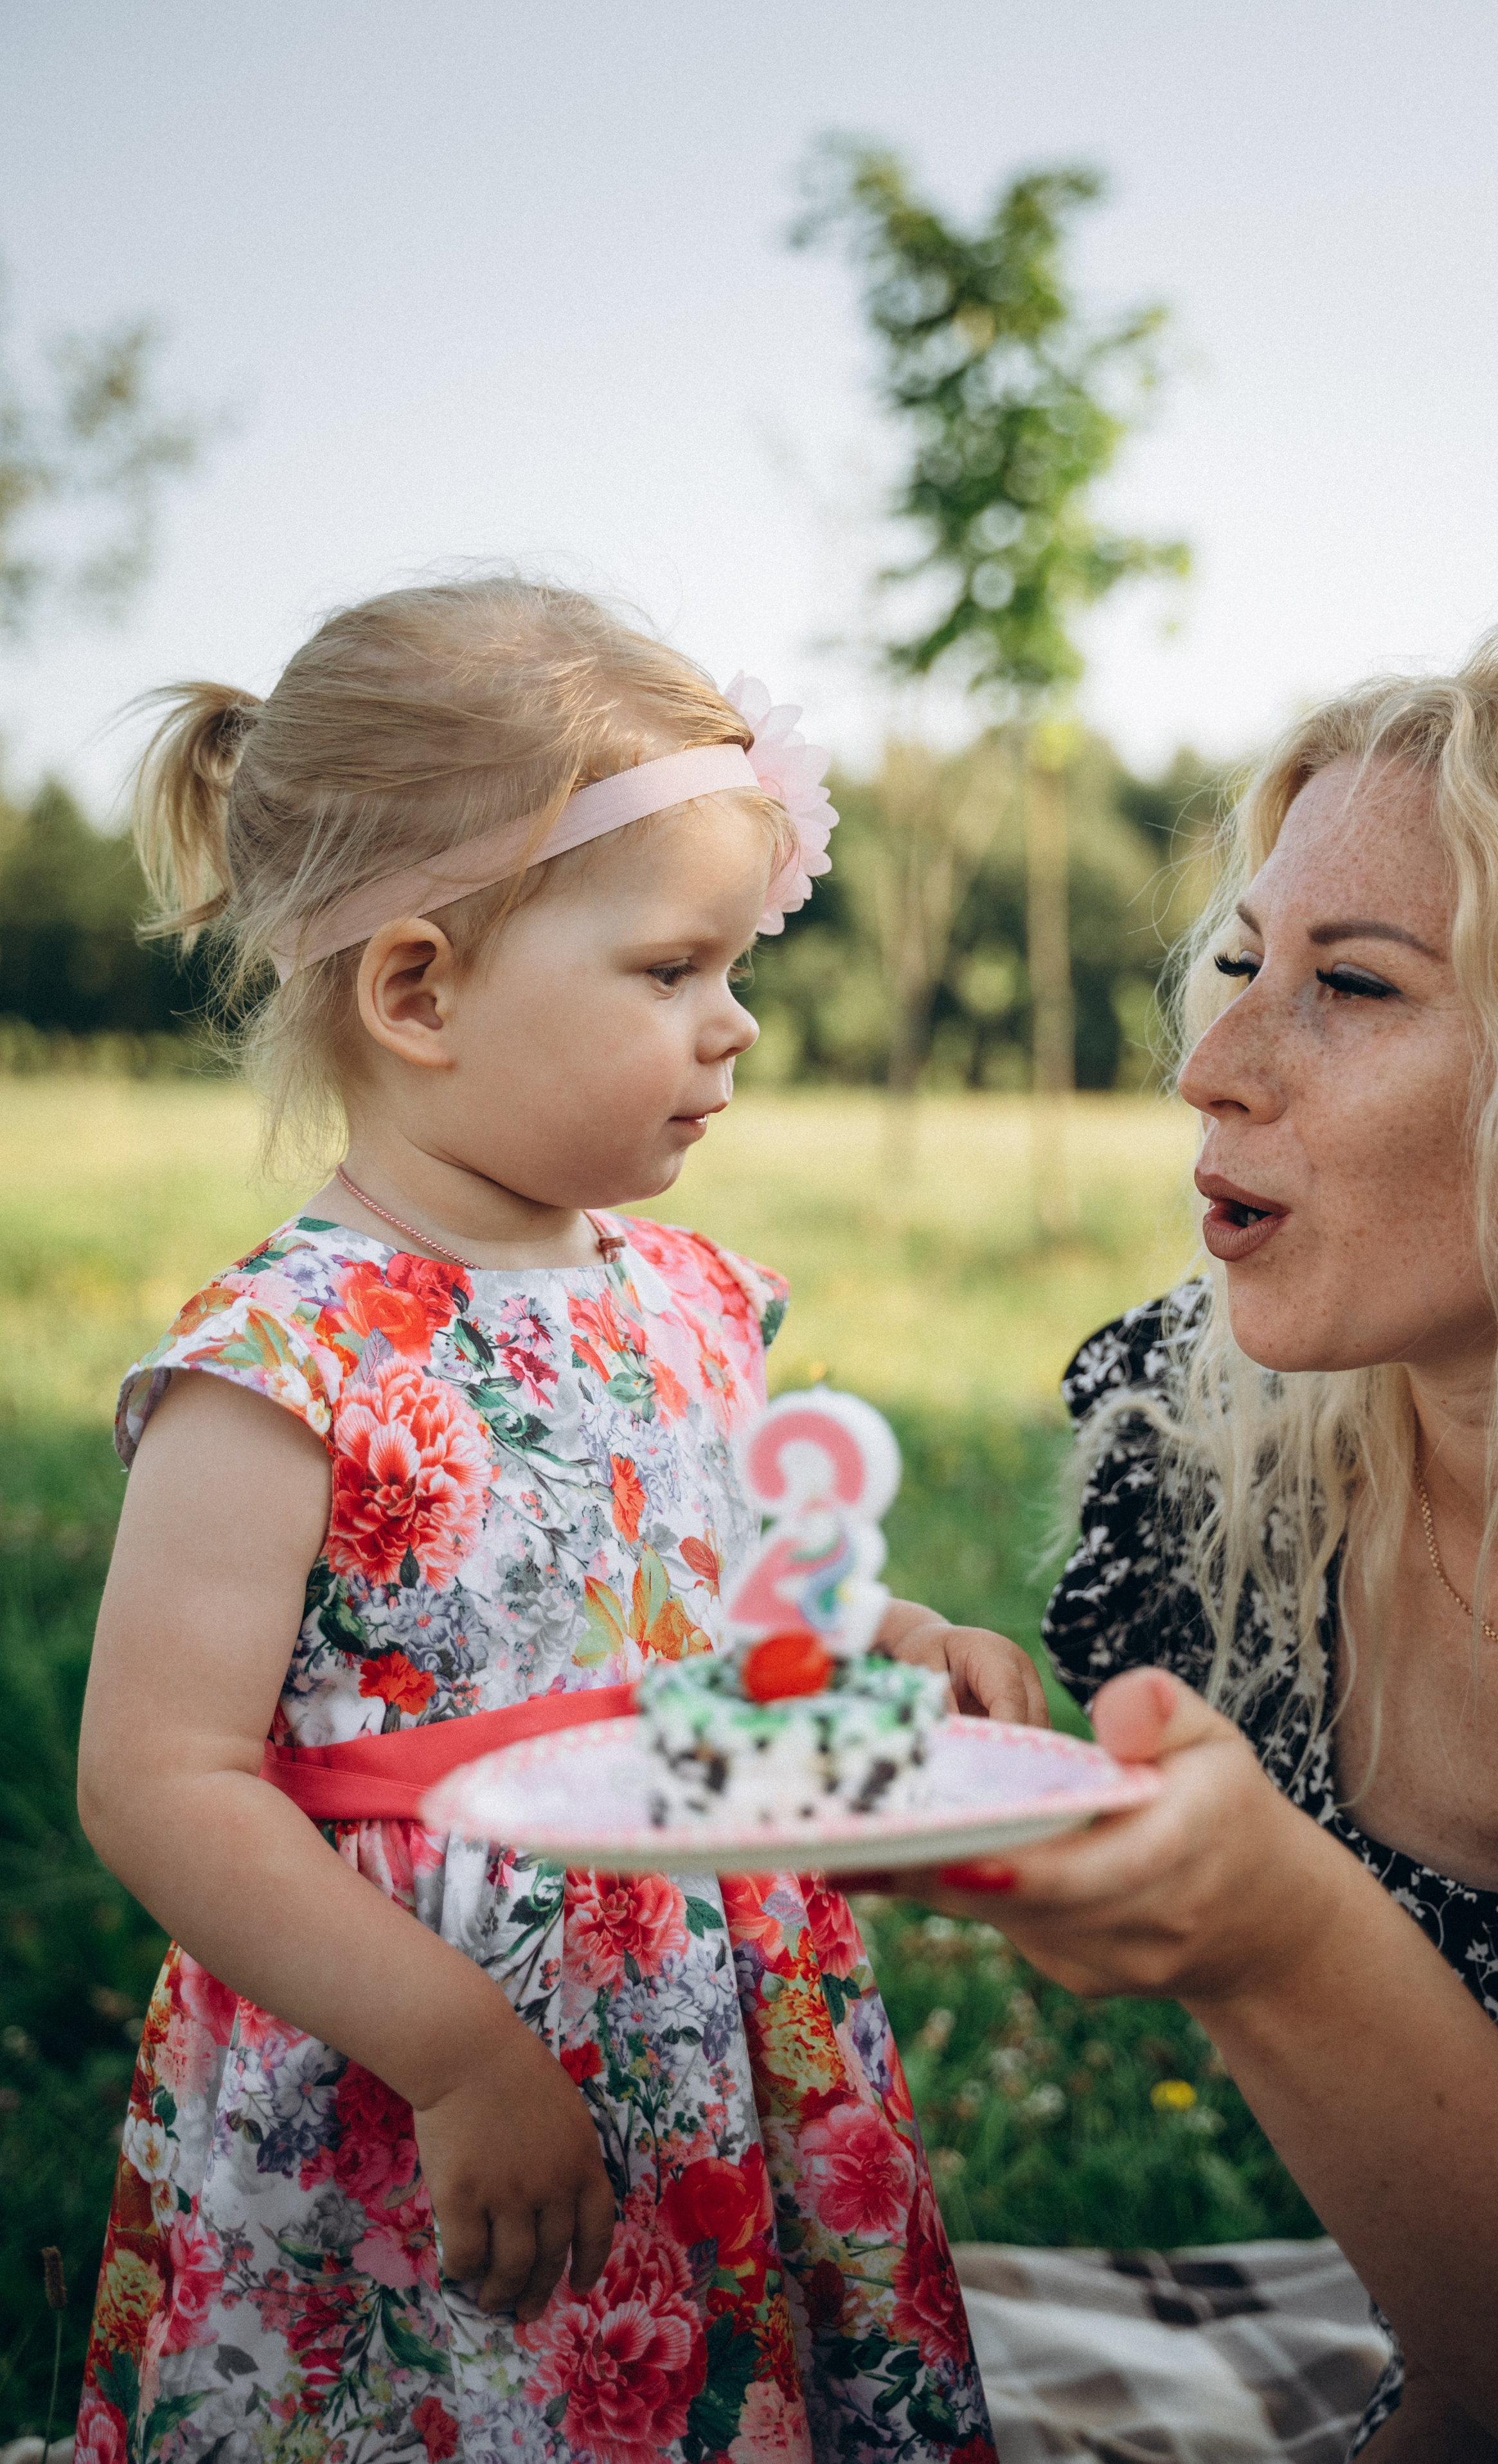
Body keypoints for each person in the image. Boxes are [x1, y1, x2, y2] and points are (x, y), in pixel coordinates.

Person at [74, 578, 1040, 2464]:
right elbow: (158, 1777)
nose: (738, 1021)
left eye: (733, 963)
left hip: (709, 2023)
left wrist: (887, 1639)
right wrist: (453, 2046)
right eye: (673, 969)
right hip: (422, 2067)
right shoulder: (281, 1360)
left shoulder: (686, 1295)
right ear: (418, 989)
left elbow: (725, 1585)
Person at [905, 625, 1498, 2464]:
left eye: (1356, 988)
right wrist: (1025, 1781)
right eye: (1239, 963)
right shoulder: (1212, 1469)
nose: (1212, 1067)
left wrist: (1268, 1938)